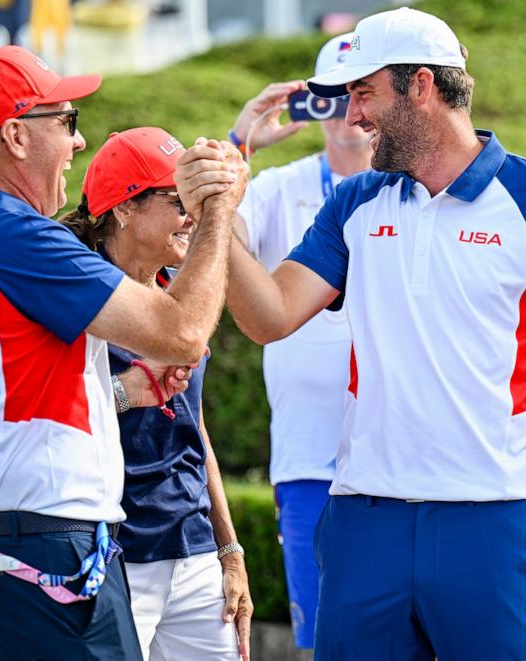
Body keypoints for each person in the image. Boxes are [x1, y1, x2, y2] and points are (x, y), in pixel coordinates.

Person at [178, 8, 526, 658]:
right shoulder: (357, 201)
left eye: (365, 93)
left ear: (421, 86)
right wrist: (216, 215)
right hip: (366, 519)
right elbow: (269, 316)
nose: (353, 115)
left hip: (496, 520)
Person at [0, 46, 244, 659]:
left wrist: (125, 390)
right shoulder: (10, 234)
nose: (79, 141)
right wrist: (218, 206)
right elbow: (184, 332)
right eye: (65, 121)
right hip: (45, 539)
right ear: (14, 135)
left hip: (24, 537)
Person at [60, 126, 253, 661]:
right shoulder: (76, 292)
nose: (191, 215)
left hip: (192, 551)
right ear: (123, 210)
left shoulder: (177, 292)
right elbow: (57, 413)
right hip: (115, 552)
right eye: (177, 201)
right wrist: (129, 391)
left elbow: (197, 430)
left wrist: (229, 551)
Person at [227, 32, 371, 651]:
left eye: (359, 94)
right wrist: (238, 150)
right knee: (323, 643)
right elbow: (197, 245)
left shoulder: (419, 190)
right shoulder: (277, 187)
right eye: (330, 98)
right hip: (308, 458)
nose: (346, 113)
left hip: (399, 461)